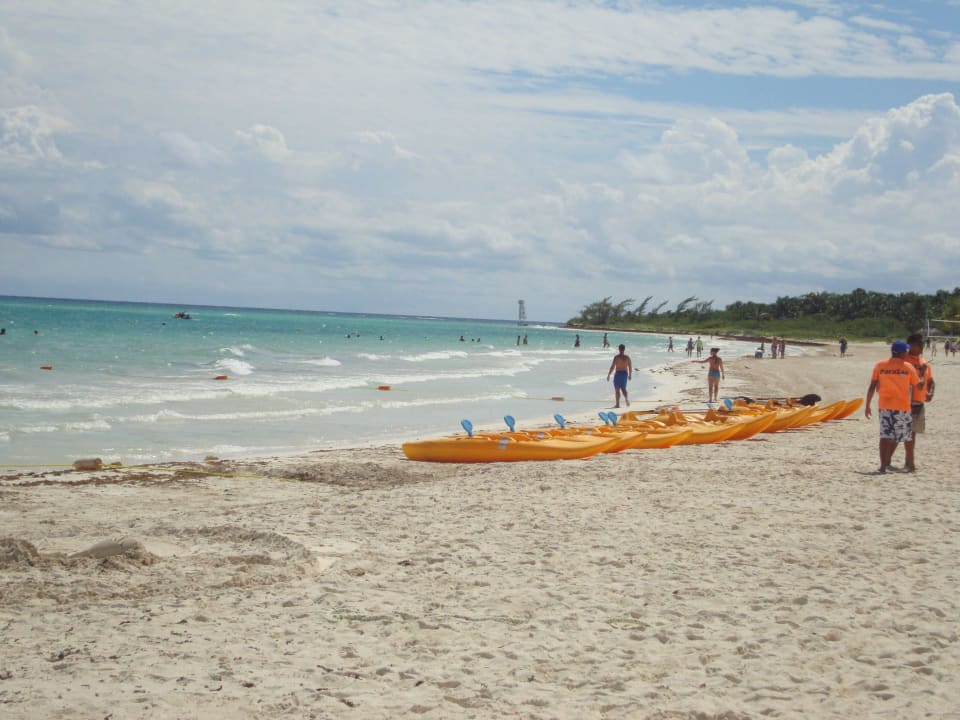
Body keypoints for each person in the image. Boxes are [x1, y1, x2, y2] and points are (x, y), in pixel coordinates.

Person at [864, 340, 919, 474]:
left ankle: (883, 466)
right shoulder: (908, 367)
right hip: (902, 407)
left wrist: (867, 405)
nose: (907, 353)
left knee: (885, 435)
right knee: (906, 436)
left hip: (885, 406)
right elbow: (917, 384)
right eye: (906, 351)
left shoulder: (880, 365)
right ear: (901, 353)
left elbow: (872, 386)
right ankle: (909, 464)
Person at [899, 333, 934, 472]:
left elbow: (931, 381)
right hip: (905, 401)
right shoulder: (904, 361)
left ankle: (909, 463)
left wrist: (930, 392)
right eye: (917, 344)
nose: (920, 347)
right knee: (904, 435)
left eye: (921, 344)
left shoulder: (923, 362)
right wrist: (919, 373)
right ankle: (908, 463)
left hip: (919, 402)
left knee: (912, 434)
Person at [606, 344, 632, 408]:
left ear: (619, 349)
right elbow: (630, 367)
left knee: (617, 390)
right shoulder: (627, 357)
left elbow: (612, 367)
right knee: (623, 388)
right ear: (624, 349)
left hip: (618, 374)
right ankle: (626, 399)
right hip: (624, 374)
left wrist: (609, 374)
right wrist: (630, 375)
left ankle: (617, 404)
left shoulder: (616, 357)